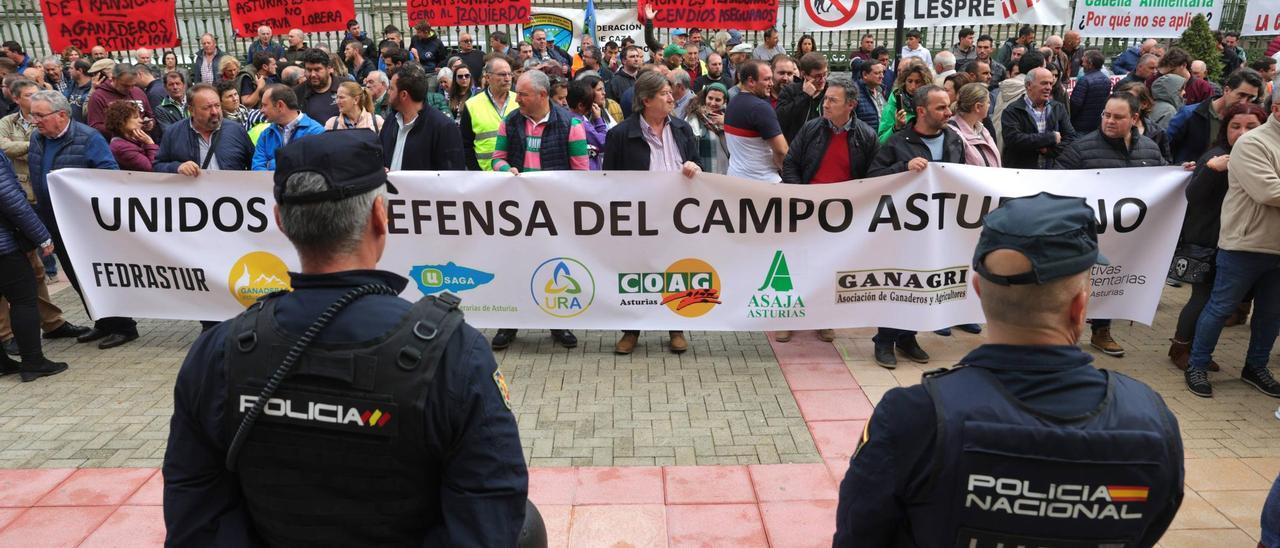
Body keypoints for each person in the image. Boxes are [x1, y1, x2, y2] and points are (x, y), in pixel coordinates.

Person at [163, 129, 535, 546]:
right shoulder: (454, 352)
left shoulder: (219, 350)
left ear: (280, 221)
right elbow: (488, 504)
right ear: (380, 214)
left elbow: (194, 509)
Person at [834, 192, 1184, 546]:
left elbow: (858, 535)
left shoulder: (913, 417)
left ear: (978, 291)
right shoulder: (1151, 420)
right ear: (1080, 307)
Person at [1183, 85, 1280, 399]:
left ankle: (1255, 367)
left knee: (1270, 313)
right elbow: (1268, 192)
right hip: (1246, 242)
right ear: (1278, 107)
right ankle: (1196, 364)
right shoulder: (1253, 143)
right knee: (1220, 306)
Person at [27, 90, 139, 349]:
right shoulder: (38, 138)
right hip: (54, 221)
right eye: (33, 116)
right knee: (77, 276)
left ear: (61, 115)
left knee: (98, 274)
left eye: (40, 115)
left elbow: (109, 175)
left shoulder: (89, 138)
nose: (35, 121)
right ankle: (101, 321)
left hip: (86, 224)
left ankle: (124, 326)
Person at [602, 71, 702, 354]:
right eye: (664, 94)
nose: (672, 97)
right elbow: (608, 179)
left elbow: (695, 164)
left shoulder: (682, 129)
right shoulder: (620, 135)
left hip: (677, 218)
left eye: (671, 92)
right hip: (638, 219)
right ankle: (632, 331)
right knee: (637, 271)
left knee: (676, 270)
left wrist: (695, 167)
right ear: (646, 100)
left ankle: (676, 328)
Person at [866, 85, 964, 368]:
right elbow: (873, 177)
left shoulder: (954, 139)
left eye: (948, 106)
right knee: (898, 282)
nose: (948, 112)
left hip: (938, 227)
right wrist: (903, 168)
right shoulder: (898, 143)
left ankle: (908, 336)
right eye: (941, 108)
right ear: (921, 111)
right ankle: (884, 340)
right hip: (902, 230)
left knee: (922, 283)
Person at [488, 70, 585, 351]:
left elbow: (580, 173)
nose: (518, 99)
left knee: (553, 264)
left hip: (553, 212)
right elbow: (497, 159)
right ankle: (509, 322)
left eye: (524, 94)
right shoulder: (510, 122)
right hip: (517, 212)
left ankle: (558, 322)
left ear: (543, 95)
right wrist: (508, 170)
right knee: (515, 264)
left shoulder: (570, 124)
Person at [1169, 102, 1266, 371]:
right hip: (1207, 241)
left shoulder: (1261, 156)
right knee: (1203, 298)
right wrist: (1211, 170)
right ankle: (1180, 347)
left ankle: (1196, 348)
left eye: (1251, 127)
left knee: (1217, 301)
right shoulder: (1217, 156)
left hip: (1240, 241)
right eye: (1236, 126)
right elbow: (1194, 197)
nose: (1243, 133)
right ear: (1225, 129)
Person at [0, 80, 90, 354]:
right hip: (16, 219)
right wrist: (41, 234)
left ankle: (51, 322)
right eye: (28, 96)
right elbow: (9, 194)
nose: (32, 102)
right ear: (16, 98)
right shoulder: (13, 126)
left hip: (28, 209)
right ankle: (6, 336)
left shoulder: (45, 135)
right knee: (12, 282)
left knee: (35, 273)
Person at [0, 153, 66, 381]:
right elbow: (12, 201)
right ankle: (33, 362)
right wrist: (42, 236)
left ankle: (2, 362)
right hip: (4, 247)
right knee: (23, 299)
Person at [155, 83, 255, 176]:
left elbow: (254, 164)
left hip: (231, 194)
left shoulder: (236, 130)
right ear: (191, 110)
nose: (214, 112)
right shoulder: (174, 133)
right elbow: (157, 166)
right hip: (192, 194)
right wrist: (176, 167)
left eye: (217, 106)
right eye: (207, 108)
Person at [1169, 68, 1264, 164]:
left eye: (1251, 98)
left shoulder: (1248, 119)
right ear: (1227, 90)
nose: (1244, 102)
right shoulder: (1190, 114)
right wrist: (1181, 164)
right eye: (1241, 95)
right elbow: (1166, 146)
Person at [379, 66, 463, 171]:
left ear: (404, 95)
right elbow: (380, 157)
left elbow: (452, 175)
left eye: (391, 88)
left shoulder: (443, 128)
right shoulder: (391, 120)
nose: (388, 92)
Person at [724, 60, 787, 183]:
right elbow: (781, 150)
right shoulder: (760, 108)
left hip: (735, 180)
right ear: (751, 81)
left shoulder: (732, 103)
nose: (771, 83)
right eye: (767, 79)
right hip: (764, 183)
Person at [1001, 67, 1075, 169]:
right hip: (1023, 173)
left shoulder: (1058, 108)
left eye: (1050, 83)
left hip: (1052, 171)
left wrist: (1048, 151)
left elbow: (1071, 139)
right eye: (1044, 83)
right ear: (1028, 85)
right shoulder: (1013, 110)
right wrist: (1051, 137)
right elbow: (1014, 140)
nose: (1049, 87)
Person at [461, 57, 519, 171]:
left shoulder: (519, 100)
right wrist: (476, 171)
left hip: (516, 174)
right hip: (485, 176)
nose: (507, 78)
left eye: (509, 74)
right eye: (502, 74)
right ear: (488, 77)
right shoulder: (472, 105)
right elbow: (465, 145)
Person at [252, 84, 325, 171]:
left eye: (265, 105)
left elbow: (314, 171)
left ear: (280, 105)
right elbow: (257, 169)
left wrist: (271, 164)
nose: (261, 110)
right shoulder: (266, 135)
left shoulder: (316, 133)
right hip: (269, 184)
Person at [86, 63, 156, 140]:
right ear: (113, 79)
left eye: (133, 85)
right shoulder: (98, 96)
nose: (130, 89)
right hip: (116, 145)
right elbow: (95, 126)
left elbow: (150, 115)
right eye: (125, 85)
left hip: (142, 143)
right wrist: (125, 130)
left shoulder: (138, 91)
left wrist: (150, 123)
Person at [1114, 81, 1173, 163]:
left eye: (1130, 100)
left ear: (1144, 104)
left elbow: (1166, 164)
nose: (1124, 104)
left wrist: (1182, 167)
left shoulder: (1157, 133)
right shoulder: (1108, 128)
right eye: (1121, 99)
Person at [776, 52, 829, 143]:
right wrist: (804, 96)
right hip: (797, 146)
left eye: (825, 74)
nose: (822, 80)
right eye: (817, 76)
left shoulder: (831, 90)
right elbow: (781, 118)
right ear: (804, 74)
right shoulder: (790, 91)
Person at [876, 60, 932, 143]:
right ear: (904, 82)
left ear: (925, 83)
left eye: (918, 82)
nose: (913, 86)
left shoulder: (932, 101)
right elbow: (881, 141)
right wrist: (896, 127)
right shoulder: (895, 103)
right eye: (910, 81)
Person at [949, 82, 999, 167]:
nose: (989, 106)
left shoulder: (981, 128)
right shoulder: (953, 134)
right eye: (988, 102)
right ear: (978, 107)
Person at [683, 83, 729, 175]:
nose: (713, 103)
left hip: (724, 172)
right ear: (705, 98)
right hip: (701, 172)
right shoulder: (694, 118)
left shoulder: (731, 118)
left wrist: (727, 123)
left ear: (724, 101)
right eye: (710, 98)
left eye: (718, 100)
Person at [104, 100, 158, 171]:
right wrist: (150, 144)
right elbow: (153, 168)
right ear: (122, 121)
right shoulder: (121, 147)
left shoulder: (135, 139)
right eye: (136, 117)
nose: (141, 121)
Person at [566, 80, 607, 170]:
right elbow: (602, 142)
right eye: (590, 101)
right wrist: (599, 121)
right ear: (581, 105)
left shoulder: (566, 117)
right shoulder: (580, 122)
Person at [1070, 50, 1112, 134]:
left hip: (1080, 125)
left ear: (1090, 64)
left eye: (1084, 62)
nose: (1082, 64)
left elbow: (1075, 104)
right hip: (1096, 124)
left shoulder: (1084, 80)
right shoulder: (1106, 80)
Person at [294, 49, 341, 124]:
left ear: (329, 69)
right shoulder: (297, 93)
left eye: (317, 69)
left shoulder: (346, 85)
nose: (313, 74)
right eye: (309, 70)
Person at [854, 61, 888, 129]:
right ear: (865, 75)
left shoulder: (882, 90)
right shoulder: (855, 93)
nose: (882, 76)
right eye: (877, 73)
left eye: (882, 72)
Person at [64, 59, 93, 124]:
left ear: (80, 70)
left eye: (71, 68)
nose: (68, 71)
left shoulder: (93, 87)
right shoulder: (72, 85)